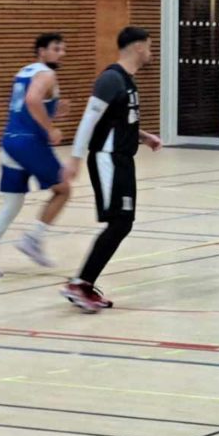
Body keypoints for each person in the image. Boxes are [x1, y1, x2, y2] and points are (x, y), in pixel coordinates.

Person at [61, 27, 161, 311]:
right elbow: (88, 120)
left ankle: (83, 283)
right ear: (138, 47)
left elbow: (116, 121)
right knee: (119, 222)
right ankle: (80, 284)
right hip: (108, 158)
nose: (150, 52)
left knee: (122, 222)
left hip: (122, 159)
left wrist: (143, 136)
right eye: (149, 47)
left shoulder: (127, 81)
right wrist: (75, 158)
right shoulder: (111, 79)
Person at [0, 33, 72, 278]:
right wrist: (50, 128)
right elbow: (32, 99)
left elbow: (26, 106)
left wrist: (53, 111)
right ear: (42, 51)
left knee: (12, 204)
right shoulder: (47, 74)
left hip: (10, 141)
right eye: (56, 48)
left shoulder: (24, 72)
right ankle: (33, 239)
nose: (62, 53)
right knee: (63, 189)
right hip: (30, 143)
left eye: (63, 49)